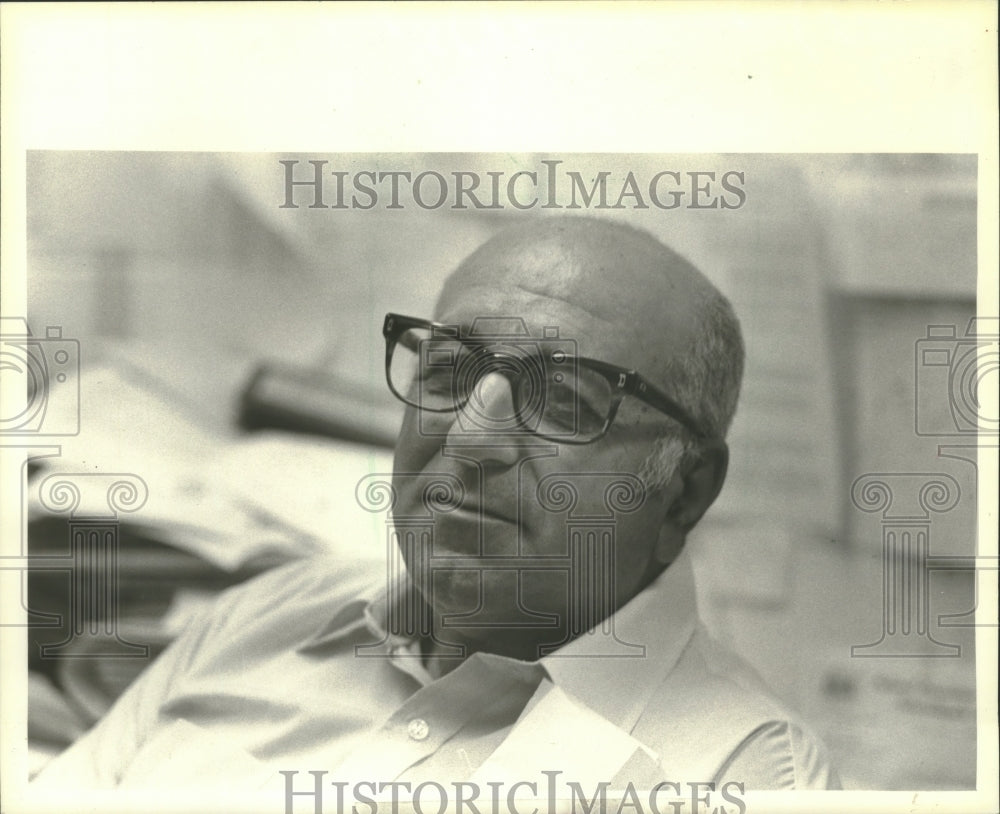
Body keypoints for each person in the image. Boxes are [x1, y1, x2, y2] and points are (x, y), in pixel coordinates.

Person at [35, 216, 839, 797]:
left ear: (685, 493)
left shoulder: (741, 776)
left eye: (561, 397)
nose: (471, 438)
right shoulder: (261, 619)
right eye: (448, 374)